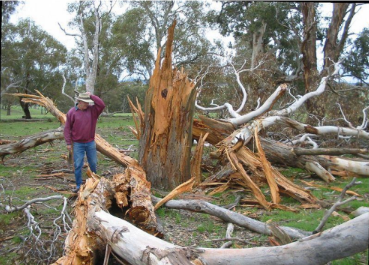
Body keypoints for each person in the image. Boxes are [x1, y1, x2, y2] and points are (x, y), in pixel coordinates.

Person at [64, 92, 105, 193]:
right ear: (79, 102)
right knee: (78, 164)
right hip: (78, 143)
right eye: (86, 102)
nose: (87, 104)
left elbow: (102, 104)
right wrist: (68, 143)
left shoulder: (93, 110)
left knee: (93, 163)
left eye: (88, 102)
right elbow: (67, 128)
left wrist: (91, 95)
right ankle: (78, 185)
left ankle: (94, 183)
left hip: (90, 142)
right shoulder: (72, 112)